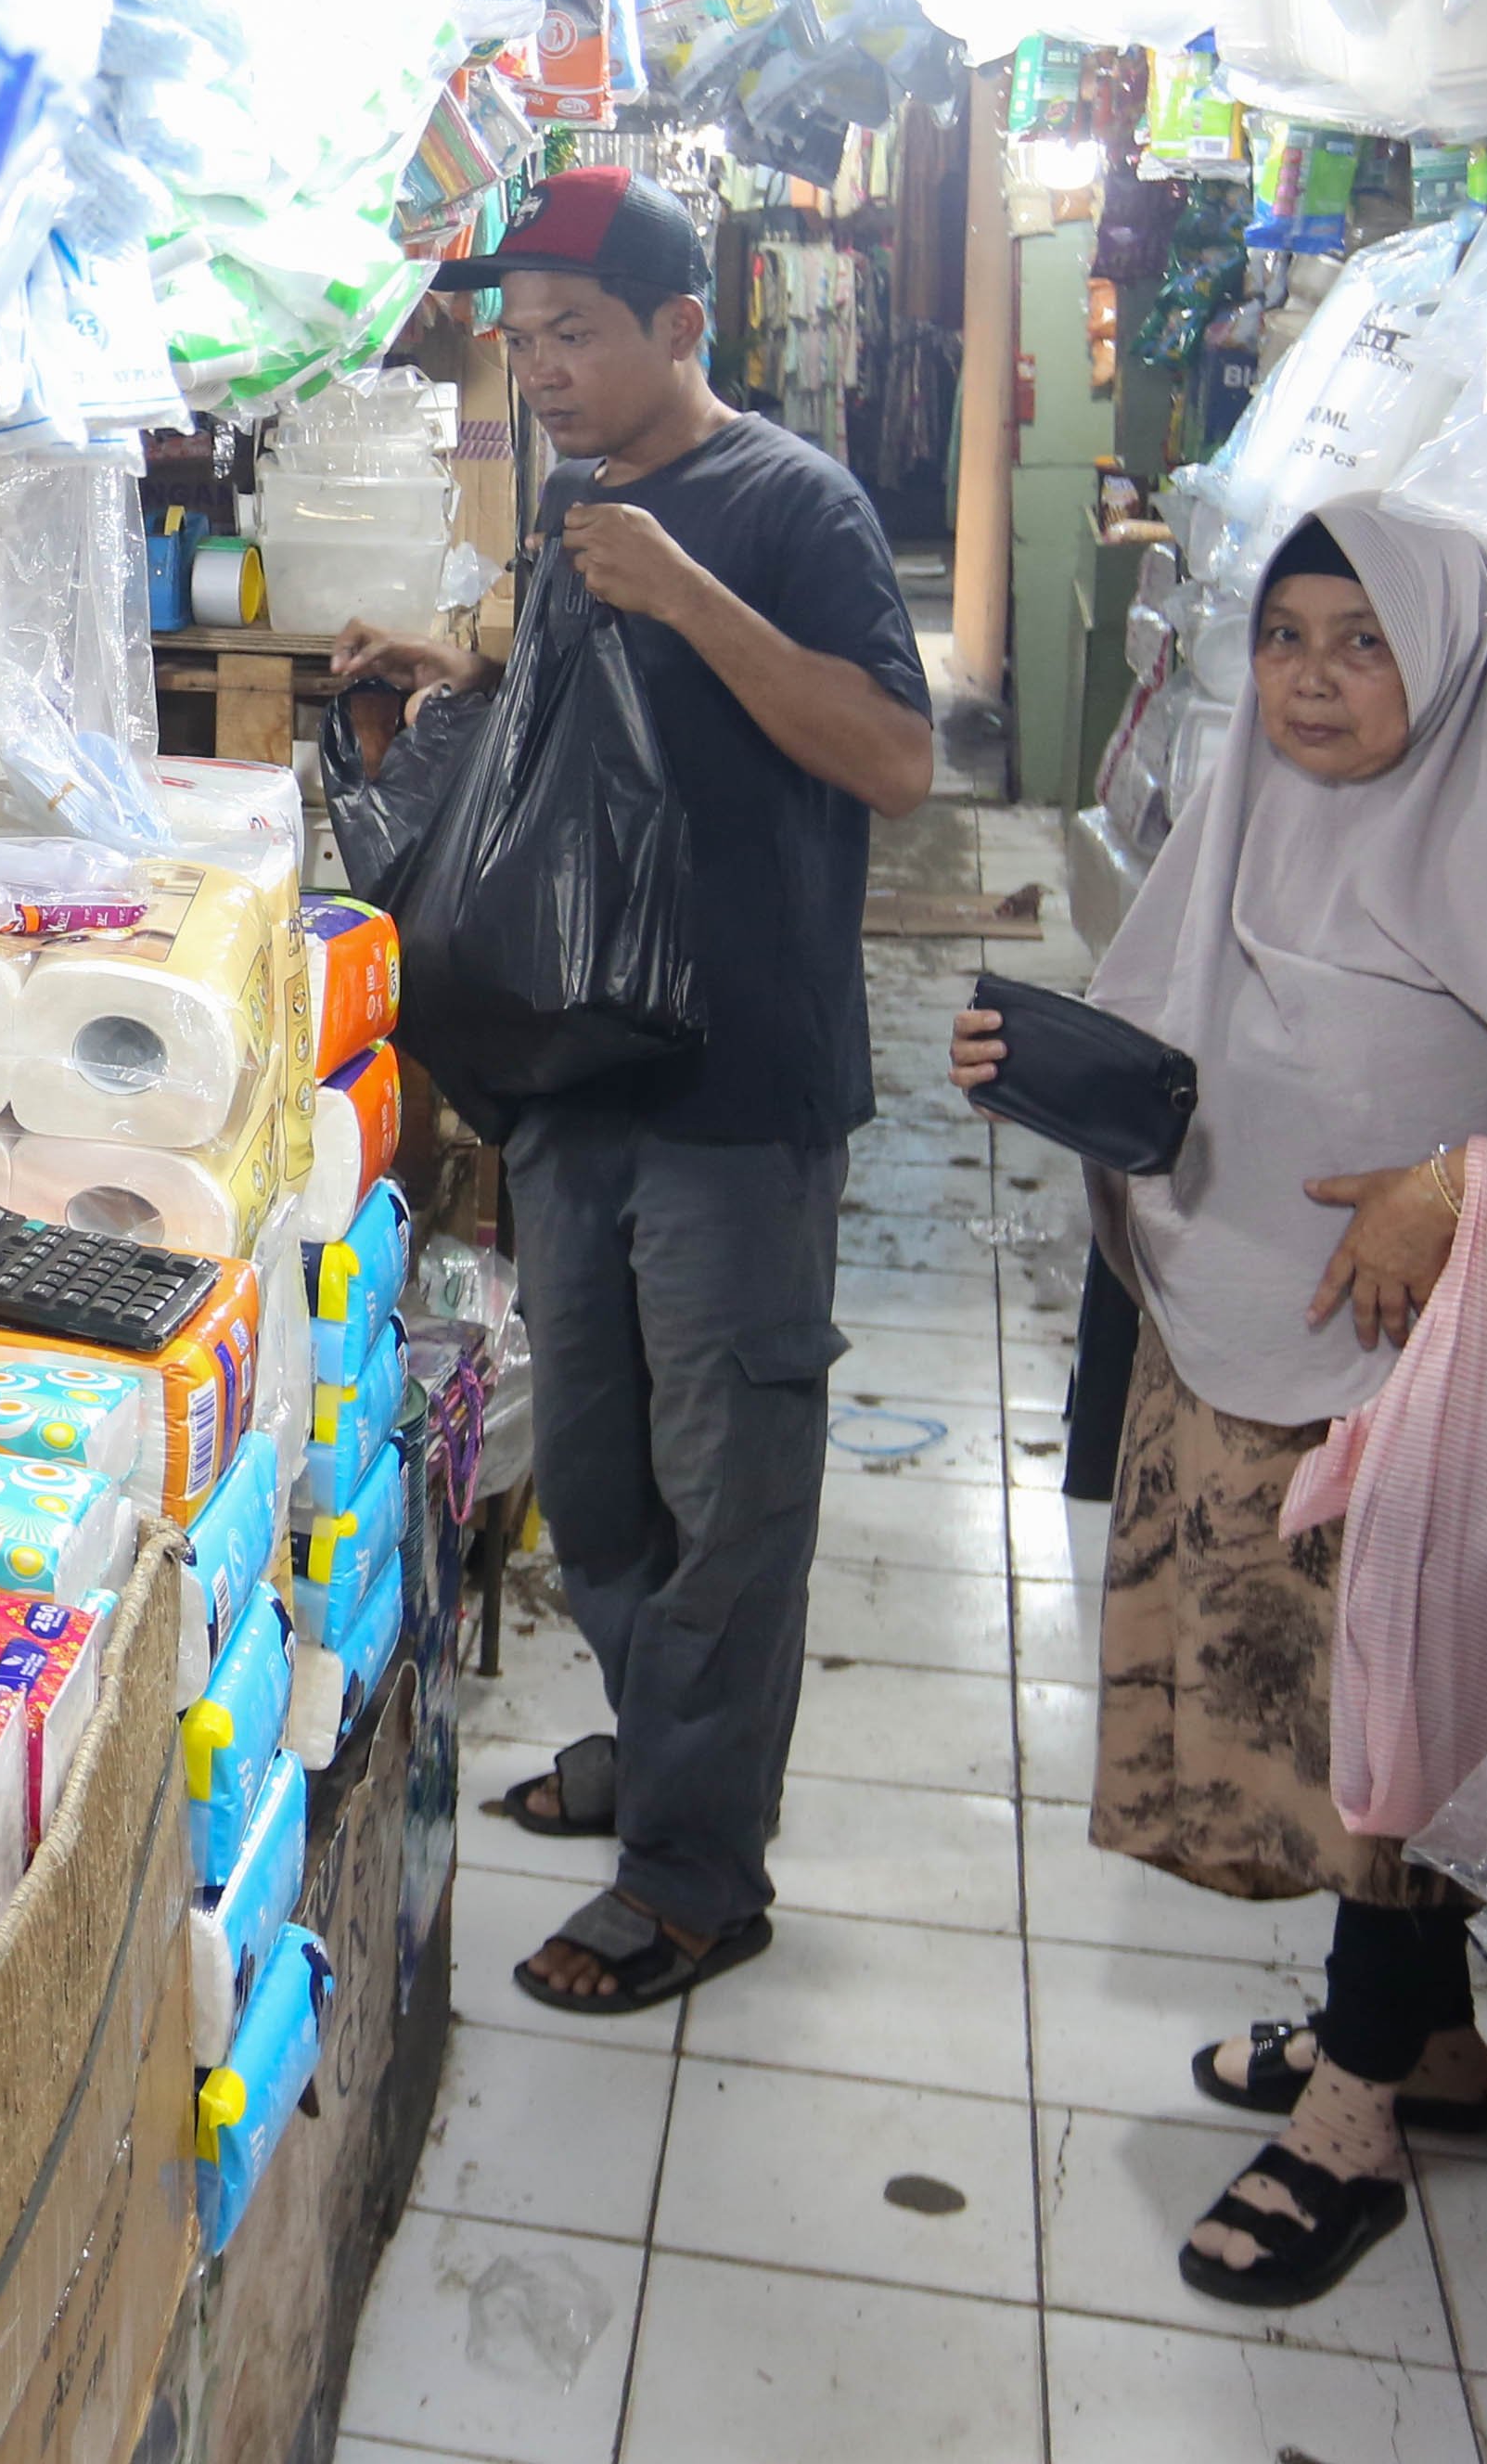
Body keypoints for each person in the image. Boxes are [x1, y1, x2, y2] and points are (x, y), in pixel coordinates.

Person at [949, 498, 1487, 2307]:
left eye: (1361, 643)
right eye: (1283, 637)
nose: (1309, 679)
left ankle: (1351, 2119)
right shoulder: (1243, 815)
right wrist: (1045, 1069)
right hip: (1240, 1354)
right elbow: (1176, 1052)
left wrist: (1466, 1182)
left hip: (1400, 1393)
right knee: (1313, 1740)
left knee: (1383, 1737)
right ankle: (1419, 2044)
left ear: (1441, 662)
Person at [333, 168, 935, 2019]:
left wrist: (689, 594)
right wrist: (460, 676)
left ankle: (693, 1874)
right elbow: (597, 725)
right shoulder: (575, 500)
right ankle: (658, 1749)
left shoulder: (791, 504)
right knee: (595, 1476)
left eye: (575, 336)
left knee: (726, 1486)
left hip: (737, 1085)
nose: (542, 374)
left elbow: (893, 757)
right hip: (574, 1069)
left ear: (682, 326)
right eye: (521, 343)